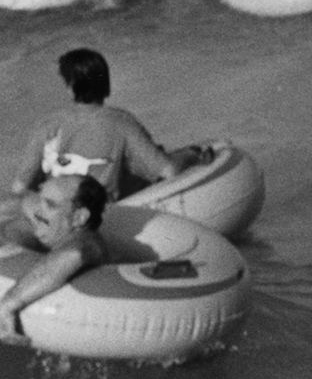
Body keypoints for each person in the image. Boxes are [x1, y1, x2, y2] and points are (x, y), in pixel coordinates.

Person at [11, 48, 209, 201]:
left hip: (57, 212)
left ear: (71, 89)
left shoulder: (48, 124)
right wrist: (189, 156)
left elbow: (20, 187)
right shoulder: (121, 122)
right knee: (141, 168)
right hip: (105, 215)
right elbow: (169, 172)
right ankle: (193, 153)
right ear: (105, 84)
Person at [0, 174, 108, 342]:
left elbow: (72, 255)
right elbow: (25, 202)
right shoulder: (58, 230)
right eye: (40, 200)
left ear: (79, 217)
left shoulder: (87, 242)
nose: (37, 212)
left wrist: (7, 304)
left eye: (50, 205)